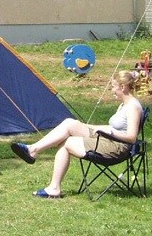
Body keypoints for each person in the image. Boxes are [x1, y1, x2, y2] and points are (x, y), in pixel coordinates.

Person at [9, 70, 143, 198]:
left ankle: (54, 187)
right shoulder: (124, 105)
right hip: (108, 139)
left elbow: (131, 137)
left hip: (116, 147)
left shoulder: (133, 107)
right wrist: (89, 126)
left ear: (123, 87)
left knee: (66, 142)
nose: (112, 90)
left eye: (113, 87)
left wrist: (109, 133)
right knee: (70, 123)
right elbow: (113, 127)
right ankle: (32, 150)